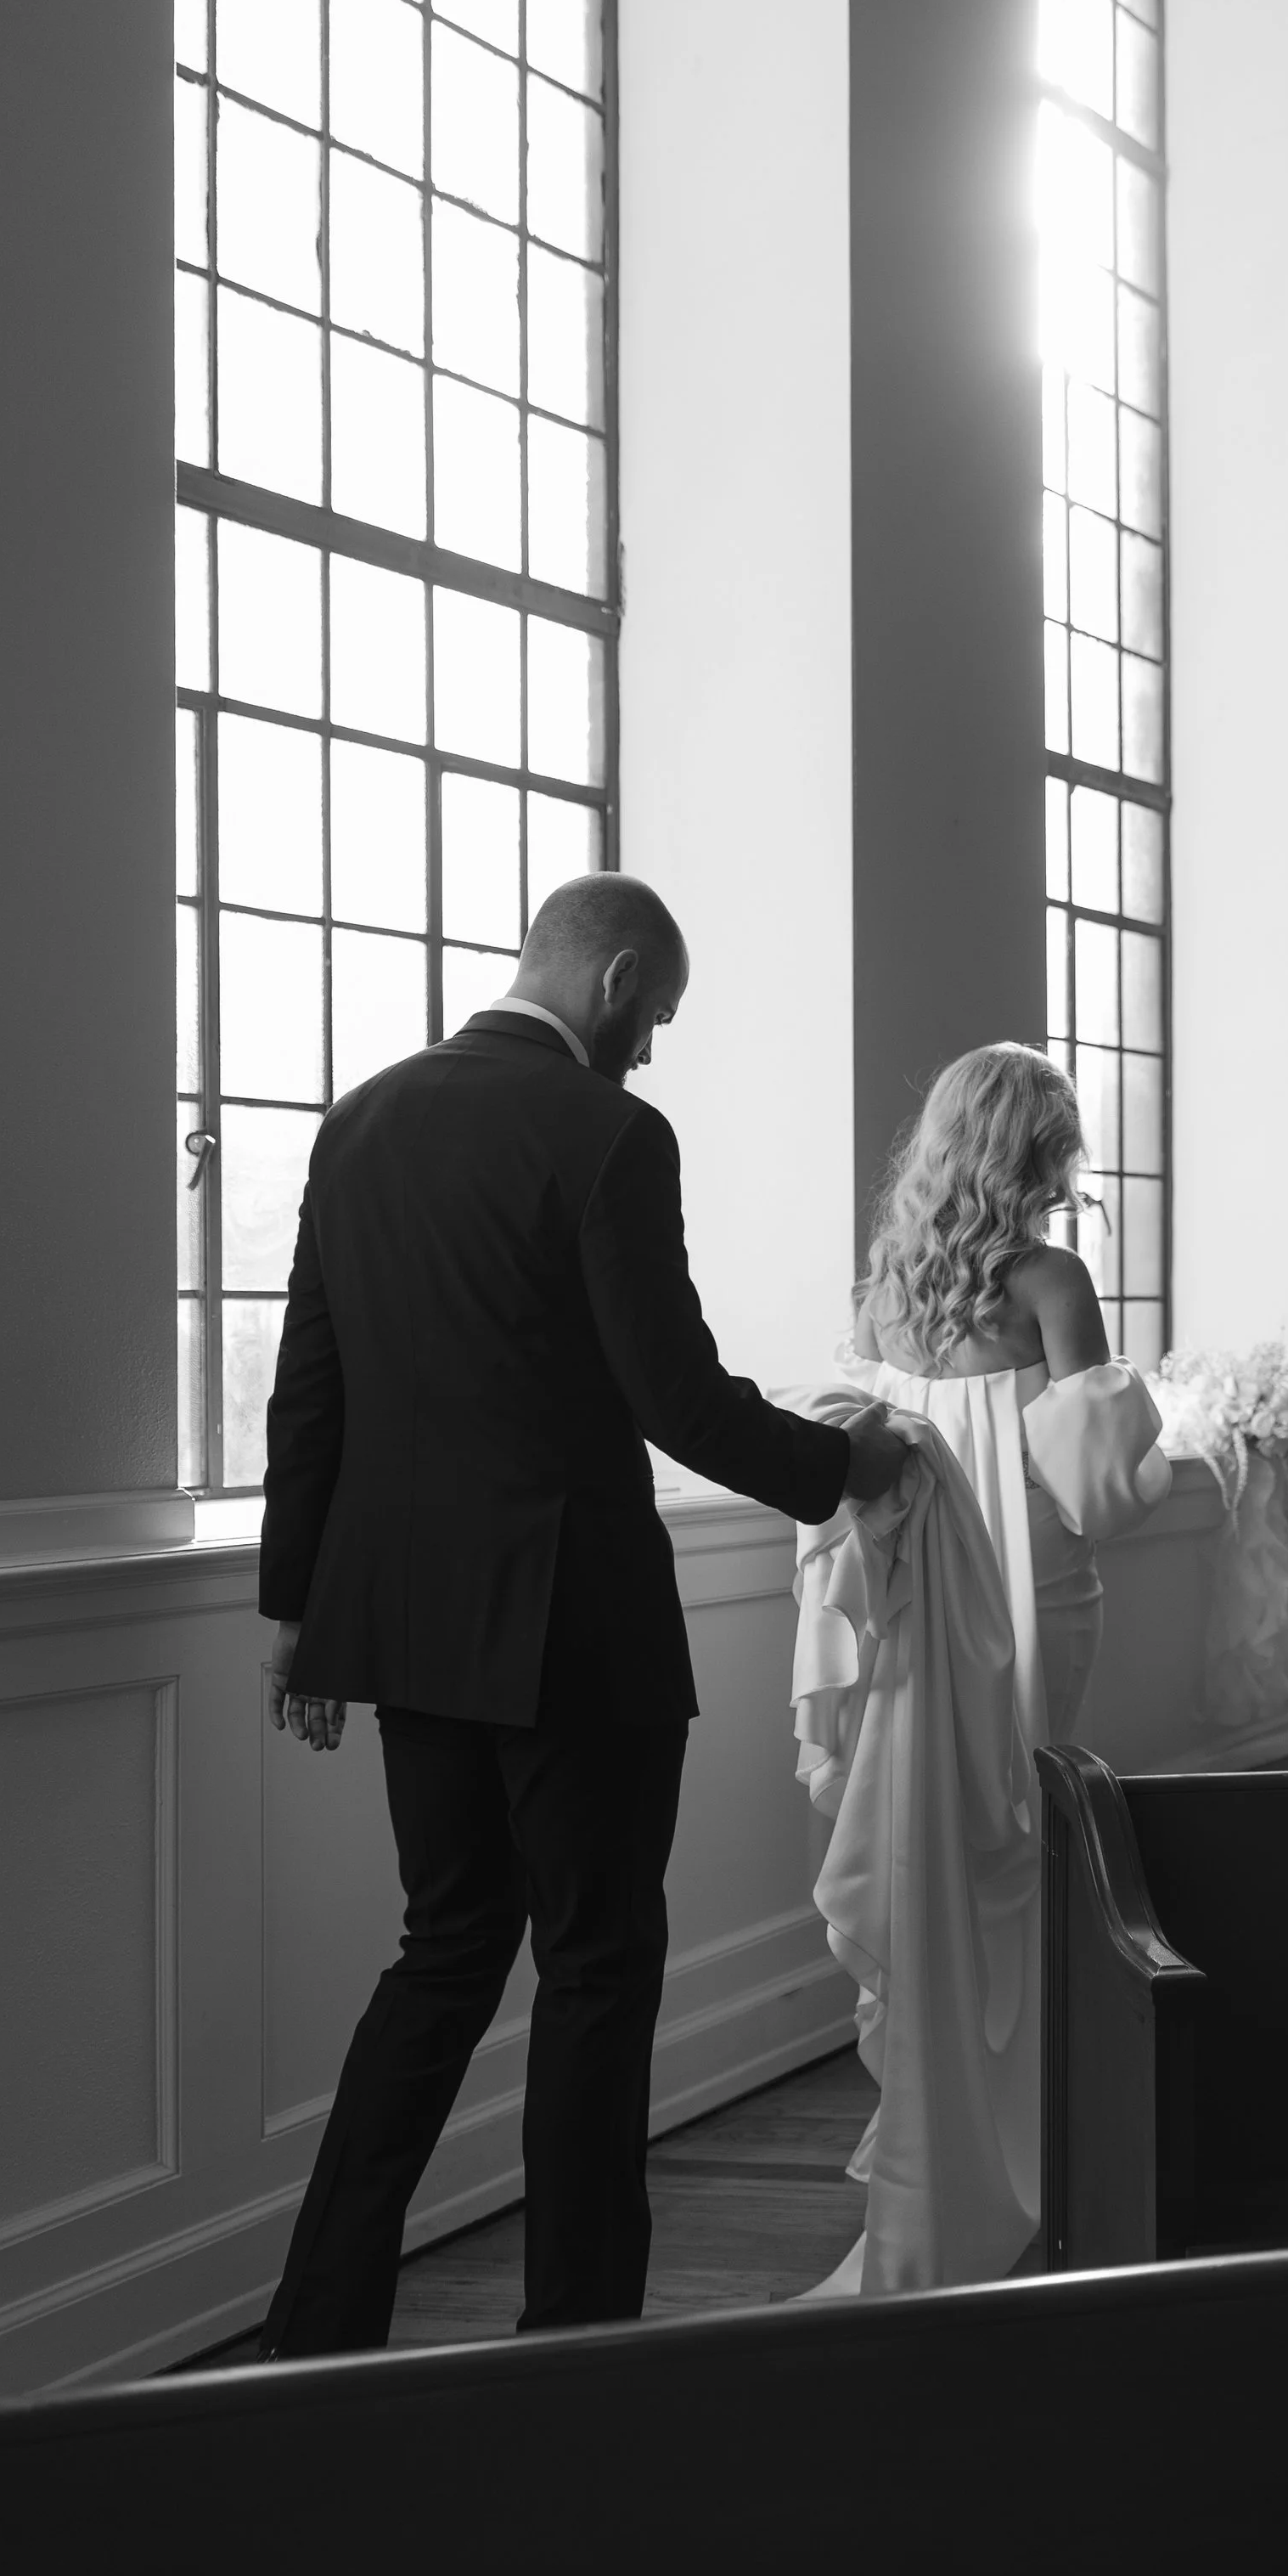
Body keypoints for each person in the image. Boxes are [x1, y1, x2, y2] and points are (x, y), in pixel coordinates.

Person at [256, 873, 908, 2353]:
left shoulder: (356, 1121)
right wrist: (842, 1463)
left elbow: (313, 1386)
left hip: (405, 1625)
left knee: (444, 1948)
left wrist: (293, 1612)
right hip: (574, 1632)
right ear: (613, 978)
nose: (653, 1049)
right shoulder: (611, 1133)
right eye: (657, 1015)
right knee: (598, 1966)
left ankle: (315, 2325)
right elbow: (668, 1391)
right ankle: (578, 2342)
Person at [792, 1043, 1169, 2294]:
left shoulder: (889, 1288)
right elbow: (1098, 1489)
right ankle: (1027, 2140)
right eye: (1063, 1142)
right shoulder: (1052, 1279)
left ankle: (944, 2131)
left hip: (921, 1606)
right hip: (1036, 1590)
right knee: (1025, 1844)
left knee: (934, 1843)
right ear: (1033, 1150)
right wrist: (1167, 1443)